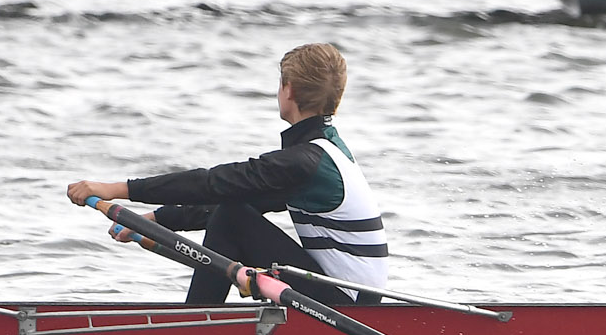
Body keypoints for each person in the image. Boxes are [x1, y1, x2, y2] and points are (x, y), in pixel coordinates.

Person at [64, 43, 384, 307]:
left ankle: (196, 324)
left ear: (288, 91)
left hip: (347, 304)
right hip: (350, 296)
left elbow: (213, 185)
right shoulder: (325, 152)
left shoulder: (304, 161)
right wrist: (155, 220)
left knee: (232, 216)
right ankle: (202, 318)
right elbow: (235, 201)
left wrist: (117, 189)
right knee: (233, 214)